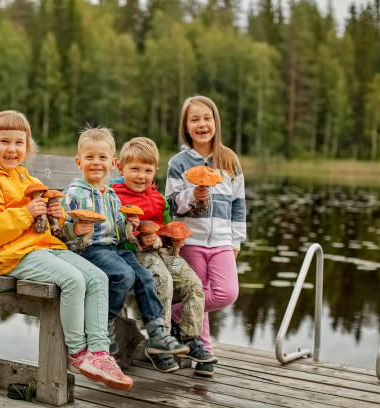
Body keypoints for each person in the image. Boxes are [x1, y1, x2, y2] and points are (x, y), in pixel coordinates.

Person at [0, 110, 132, 391]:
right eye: (4, 142)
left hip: (45, 248)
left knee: (98, 278)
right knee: (73, 280)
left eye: (19, 143)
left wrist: (57, 214)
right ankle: (78, 353)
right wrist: (25, 213)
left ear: (27, 146)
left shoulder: (24, 177)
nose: (12, 149)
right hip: (15, 256)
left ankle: (99, 353)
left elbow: (51, 225)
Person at [61, 127, 189, 372]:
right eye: (90, 157)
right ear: (79, 161)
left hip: (115, 248)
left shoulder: (111, 195)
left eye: (102, 158)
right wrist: (73, 229)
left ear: (112, 163)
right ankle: (105, 323)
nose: (96, 163)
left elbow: (119, 233)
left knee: (144, 275)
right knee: (124, 275)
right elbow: (59, 229)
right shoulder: (73, 192)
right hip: (90, 250)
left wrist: (129, 226)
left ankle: (157, 332)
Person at [110, 137, 212, 373]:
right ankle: (160, 342)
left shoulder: (157, 198)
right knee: (162, 282)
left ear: (155, 170)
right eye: (134, 169)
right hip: (135, 255)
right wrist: (136, 237)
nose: (140, 176)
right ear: (121, 167)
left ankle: (189, 337)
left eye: (147, 170)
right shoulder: (114, 197)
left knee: (193, 284)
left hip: (162, 252)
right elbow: (112, 234)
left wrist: (167, 239)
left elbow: (166, 226)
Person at [165, 96, 246, 377]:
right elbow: (171, 203)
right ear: (186, 127)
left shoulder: (229, 160)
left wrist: (236, 241)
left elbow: (239, 205)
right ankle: (204, 354)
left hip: (222, 241)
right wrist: (191, 195)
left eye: (207, 118)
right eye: (195, 119)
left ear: (215, 123)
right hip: (192, 241)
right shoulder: (178, 162)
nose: (202, 124)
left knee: (226, 293)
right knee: (198, 290)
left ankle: (177, 312)